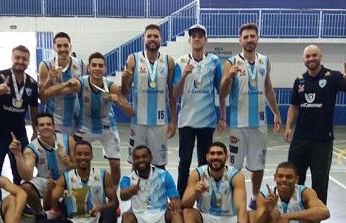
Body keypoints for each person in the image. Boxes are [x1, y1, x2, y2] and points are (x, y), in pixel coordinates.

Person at [284, 45, 346, 205]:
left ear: (321, 57)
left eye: (314, 55)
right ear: (303, 59)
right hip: (300, 139)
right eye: (308, 56)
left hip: (322, 141)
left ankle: (315, 220)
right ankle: (294, 214)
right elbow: (294, 106)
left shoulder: (333, 76)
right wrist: (288, 126)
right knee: (294, 178)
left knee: (320, 181)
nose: (311, 58)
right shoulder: (299, 80)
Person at [220, 23, 282, 210]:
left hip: (260, 123)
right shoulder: (231, 62)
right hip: (238, 125)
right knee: (233, 167)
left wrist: (277, 114)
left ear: (257, 38)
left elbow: (269, 88)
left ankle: (255, 197)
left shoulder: (265, 60)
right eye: (245, 37)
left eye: (252, 36)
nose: (249, 40)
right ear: (240, 40)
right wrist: (228, 78)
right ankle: (231, 199)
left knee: (258, 166)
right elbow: (222, 93)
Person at [47, 52, 133, 185]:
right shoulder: (80, 83)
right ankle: (78, 188)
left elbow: (130, 111)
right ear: (89, 68)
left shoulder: (111, 86)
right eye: (94, 65)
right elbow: (51, 93)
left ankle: (112, 197)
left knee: (115, 165)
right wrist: (63, 84)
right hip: (84, 127)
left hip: (108, 128)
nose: (97, 68)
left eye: (100, 65)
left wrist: (118, 102)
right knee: (76, 160)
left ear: (105, 69)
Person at [105, 145, 187, 223]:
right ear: (133, 160)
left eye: (144, 156)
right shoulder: (128, 179)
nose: (140, 160)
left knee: (175, 211)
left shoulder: (164, 175)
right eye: (137, 157)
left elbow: (175, 197)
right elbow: (123, 195)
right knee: (127, 216)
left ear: (151, 158)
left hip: (162, 222)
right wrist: (131, 191)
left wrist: (175, 202)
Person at [173, 24, 226, 196]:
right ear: (189, 40)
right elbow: (175, 93)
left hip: (207, 121)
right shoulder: (180, 62)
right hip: (186, 121)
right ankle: (181, 197)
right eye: (193, 36)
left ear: (205, 39)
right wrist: (184, 75)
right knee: (184, 161)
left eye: (200, 36)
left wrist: (223, 117)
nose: (197, 38)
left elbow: (221, 90)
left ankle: (204, 197)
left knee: (205, 162)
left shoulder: (214, 61)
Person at [0, 45, 39, 185]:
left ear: (28, 61)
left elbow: (34, 109)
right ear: (12, 58)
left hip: (18, 134)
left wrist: (36, 130)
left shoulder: (31, 83)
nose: (20, 61)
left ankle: (21, 204)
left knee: (21, 172)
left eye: (24, 59)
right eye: (17, 57)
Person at [121, 24, 177, 169]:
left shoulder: (169, 61)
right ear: (143, 39)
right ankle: (136, 190)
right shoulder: (133, 59)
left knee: (160, 164)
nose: (152, 39)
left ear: (161, 39)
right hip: (138, 121)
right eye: (149, 36)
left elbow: (172, 94)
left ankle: (158, 190)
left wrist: (173, 121)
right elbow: (124, 92)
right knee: (136, 162)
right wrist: (124, 79)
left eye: (156, 36)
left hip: (160, 122)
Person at [9, 113, 75, 223]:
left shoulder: (67, 140)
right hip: (46, 181)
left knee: (71, 217)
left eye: (49, 124)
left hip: (67, 180)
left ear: (54, 126)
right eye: (42, 125)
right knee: (25, 186)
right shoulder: (31, 148)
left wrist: (68, 163)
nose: (46, 127)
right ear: (36, 128)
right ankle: (40, 215)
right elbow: (27, 175)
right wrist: (18, 155)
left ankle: (63, 207)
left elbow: (80, 167)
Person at [39, 32, 86, 135]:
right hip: (54, 119)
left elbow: (81, 91)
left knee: (73, 150)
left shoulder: (80, 64)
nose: (63, 49)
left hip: (75, 119)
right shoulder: (45, 65)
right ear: (54, 48)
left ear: (70, 46)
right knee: (58, 150)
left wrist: (52, 90)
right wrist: (51, 81)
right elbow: (42, 98)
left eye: (66, 45)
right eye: (59, 46)